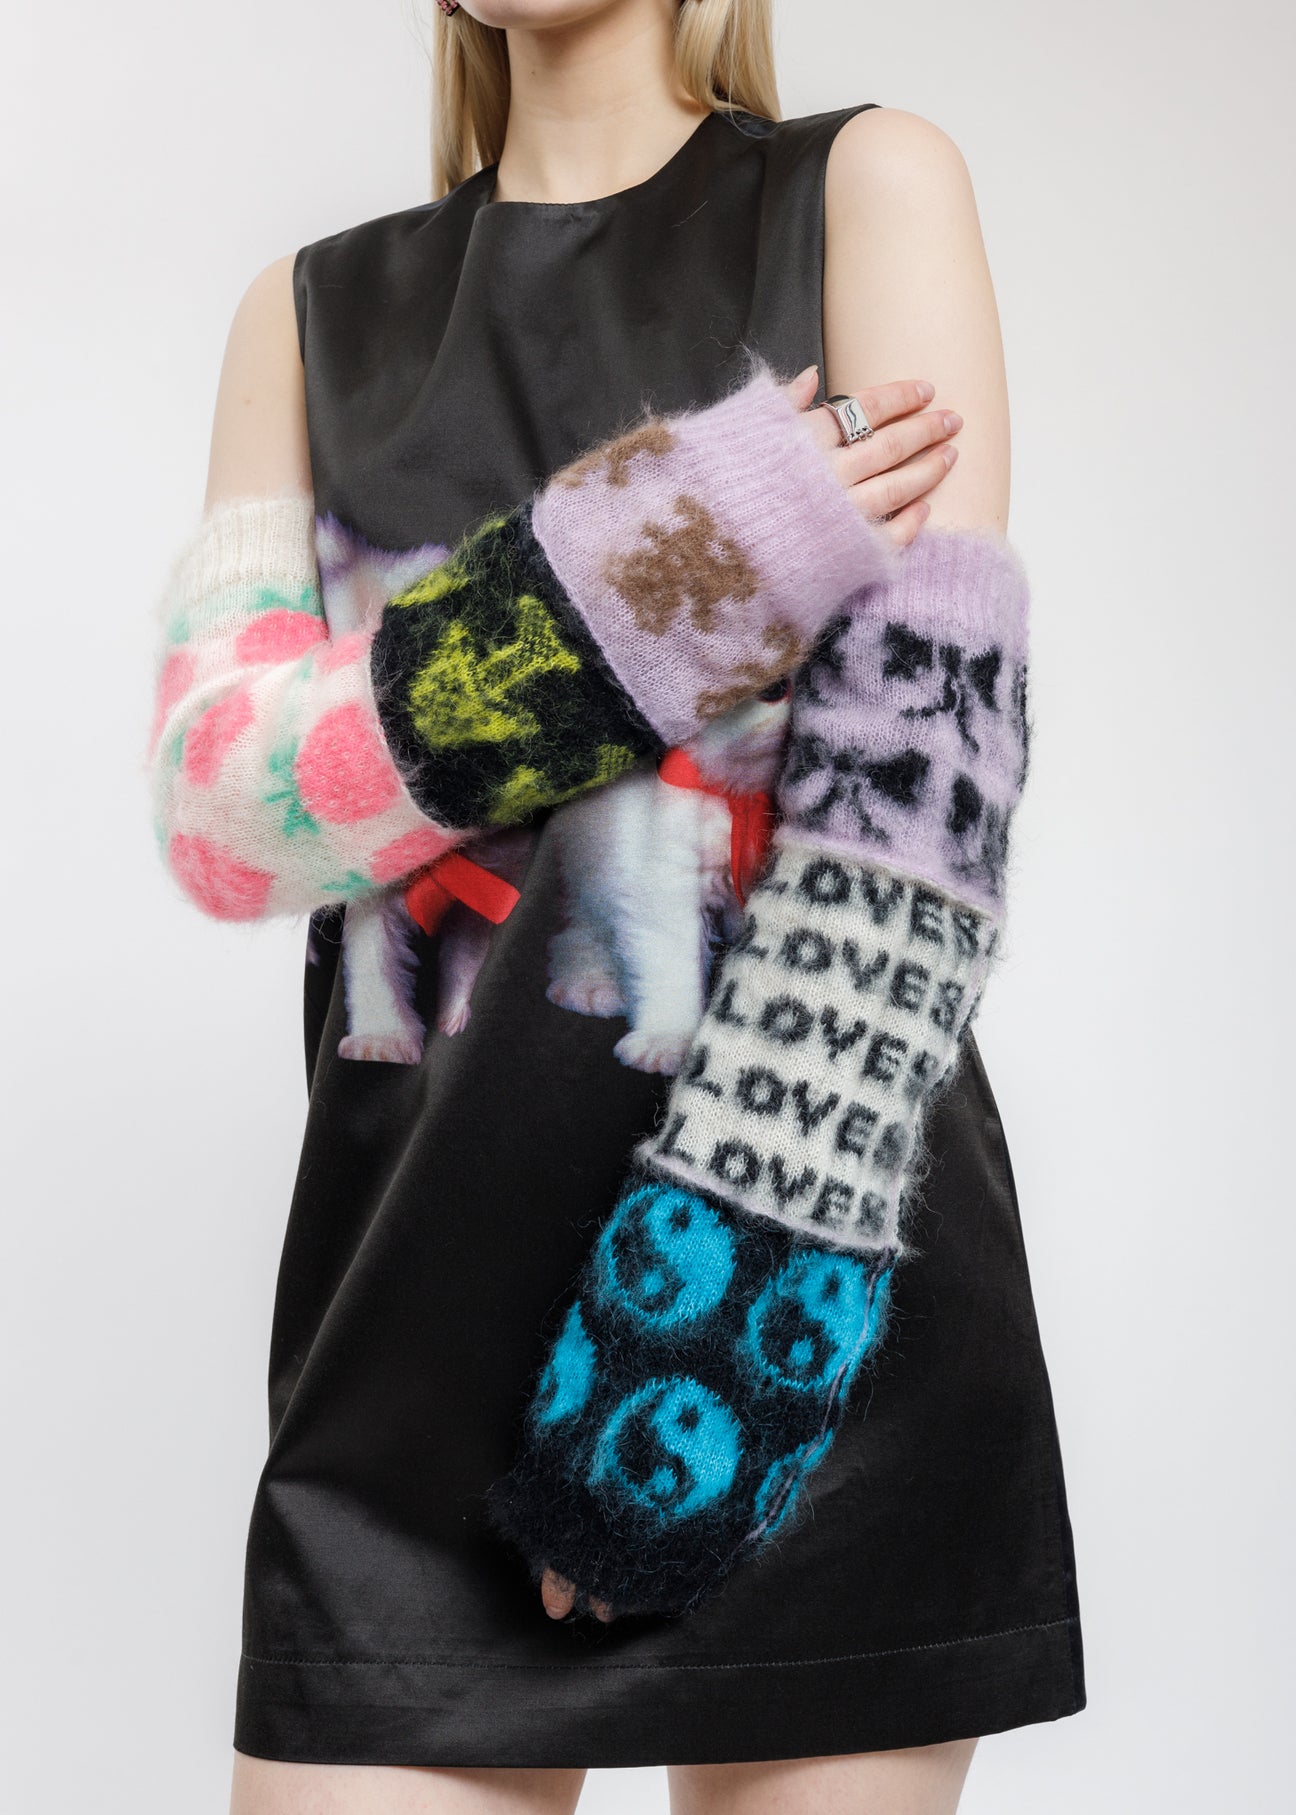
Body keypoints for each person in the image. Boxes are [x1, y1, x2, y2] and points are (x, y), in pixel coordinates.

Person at [146, 2, 1085, 1809]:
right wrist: (652, 576)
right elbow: (226, 812)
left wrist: (702, 1359)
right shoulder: (312, 312)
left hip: (797, 1316)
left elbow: (918, 824)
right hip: (406, 1335)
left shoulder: (863, 190)